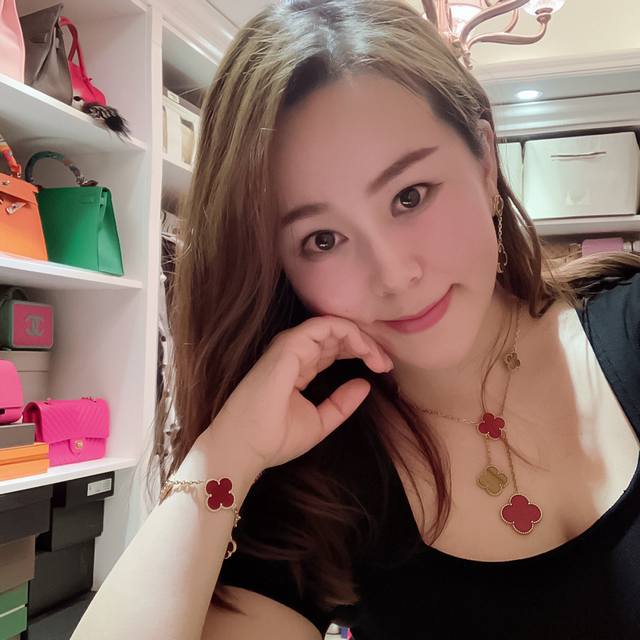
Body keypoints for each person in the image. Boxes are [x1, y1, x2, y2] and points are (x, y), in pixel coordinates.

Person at [71, 1, 640, 639]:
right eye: (322, 239)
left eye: (409, 196)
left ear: (484, 161)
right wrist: (224, 453)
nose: (394, 274)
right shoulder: (316, 483)